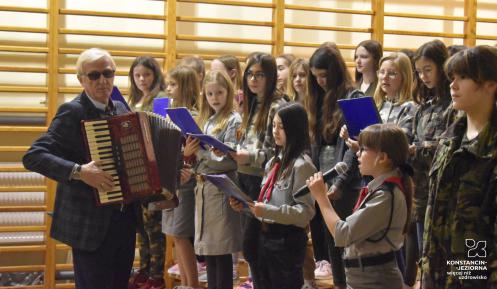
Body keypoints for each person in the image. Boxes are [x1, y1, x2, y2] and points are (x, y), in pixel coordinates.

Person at [23, 48, 137, 289]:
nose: (103, 81)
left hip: (124, 221)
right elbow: (34, 156)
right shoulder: (72, 111)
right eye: (94, 75)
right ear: (81, 79)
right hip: (89, 225)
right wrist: (80, 172)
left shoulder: (121, 110)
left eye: (108, 73)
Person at [421, 45, 497, 289]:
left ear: (490, 84)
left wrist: (471, 279)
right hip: (437, 271)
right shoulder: (450, 137)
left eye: (463, 78)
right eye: (452, 78)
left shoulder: (491, 147)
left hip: (476, 278)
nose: (453, 85)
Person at [307, 123, 413, 289]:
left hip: (376, 280)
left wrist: (322, 198)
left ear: (383, 158)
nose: (357, 154)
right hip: (365, 278)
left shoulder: (385, 195)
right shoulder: (380, 188)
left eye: (363, 149)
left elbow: (343, 233)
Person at [230, 102, 316, 289]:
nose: (275, 131)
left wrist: (267, 211)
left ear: (294, 129)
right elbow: (266, 202)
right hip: (265, 239)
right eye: (274, 125)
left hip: (287, 243)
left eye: (282, 126)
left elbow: (305, 213)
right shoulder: (272, 163)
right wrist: (245, 207)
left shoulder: (302, 166)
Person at [305, 45, 363, 288]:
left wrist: (340, 182)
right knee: (331, 242)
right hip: (325, 178)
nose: (320, 81)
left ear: (337, 71)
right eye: (316, 76)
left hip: (348, 182)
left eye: (325, 75)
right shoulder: (317, 98)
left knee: (347, 243)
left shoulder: (354, 98)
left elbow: (356, 147)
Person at [231, 52, 287, 289]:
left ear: (271, 76)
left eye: (260, 75)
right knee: (250, 246)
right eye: (250, 74)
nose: (253, 79)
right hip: (245, 177)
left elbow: (276, 152)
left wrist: (247, 156)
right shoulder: (252, 103)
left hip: (264, 181)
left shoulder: (277, 105)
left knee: (257, 247)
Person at [186, 70, 243, 289]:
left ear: (228, 92)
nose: (214, 98)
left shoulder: (233, 120)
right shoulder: (208, 120)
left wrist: (201, 154)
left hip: (220, 190)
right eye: (209, 94)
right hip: (204, 190)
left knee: (221, 253)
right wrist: (192, 152)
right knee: (210, 253)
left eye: (219, 92)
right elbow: (207, 158)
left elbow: (230, 160)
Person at [410, 40, 455, 285]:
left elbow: (448, 145)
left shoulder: (453, 107)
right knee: (422, 254)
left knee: (442, 259)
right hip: (420, 190)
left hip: (441, 194)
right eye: (419, 71)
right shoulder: (424, 108)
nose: (423, 76)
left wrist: (417, 148)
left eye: (428, 69)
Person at [125, 56, 168, 289]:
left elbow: (163, 129)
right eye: (138, 75)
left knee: (153, 225)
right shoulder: (133, 99)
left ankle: (156, 274)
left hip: (155, 169)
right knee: (141, 225)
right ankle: (143, 269)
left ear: (155, 75)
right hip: (137, 169)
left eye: (147, 75)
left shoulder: (160, 98)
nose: (142, 79)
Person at [162, 65, 202, 289]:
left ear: (186, 86)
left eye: (173, 84)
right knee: (175, 236)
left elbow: (195, 151)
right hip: (172, 180)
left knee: (181, 235)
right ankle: (185, 282)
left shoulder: (194, 116)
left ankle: (193, 285)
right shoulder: (170, 112)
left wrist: (184, 155)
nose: (168, 89)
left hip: (187, 181)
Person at [374, 52, 417, 141]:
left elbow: (400, 142)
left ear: (404, 77)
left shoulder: (410, 107)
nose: (385, 77)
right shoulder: (377, 103)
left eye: (392, 73)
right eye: (382, 72)